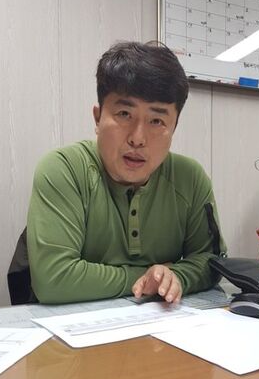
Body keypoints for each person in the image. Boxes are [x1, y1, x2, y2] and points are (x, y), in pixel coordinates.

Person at [26, 41, 226, 304]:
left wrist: (177, 276)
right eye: (124, 114)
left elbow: (212, 262)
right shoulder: (64, 169)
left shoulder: (190, 179)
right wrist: (146, 277)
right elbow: (54, 280)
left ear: (174, 128)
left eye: (157, 121)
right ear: (97, 118)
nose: (138, 138)